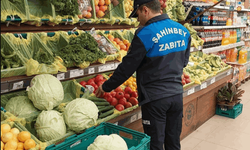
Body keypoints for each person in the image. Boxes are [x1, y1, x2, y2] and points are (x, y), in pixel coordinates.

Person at [96, 0, 191, 149]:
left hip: (155, 99)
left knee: (155, 143)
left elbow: (127, 67)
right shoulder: (183, 30)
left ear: (145, 10)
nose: (138, 19)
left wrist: (106, 87)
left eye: (138, 14)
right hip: (176, 95)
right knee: (173, 141)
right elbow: (184, 62)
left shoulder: (145, 33)